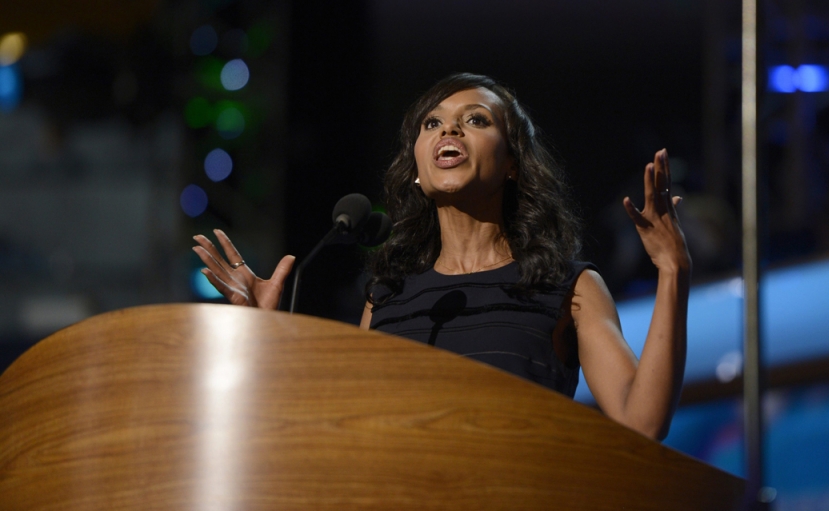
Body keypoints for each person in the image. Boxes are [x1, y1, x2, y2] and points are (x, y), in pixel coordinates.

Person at [193, 73, 691, 440]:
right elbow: (338, 431)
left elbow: (640, 421)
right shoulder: (387, 297)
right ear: (416, 168)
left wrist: (672, 272)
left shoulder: (568, 286)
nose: (448, 131)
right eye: (432, 124)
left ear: (513, 164)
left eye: (475, 120)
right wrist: (265, 335)